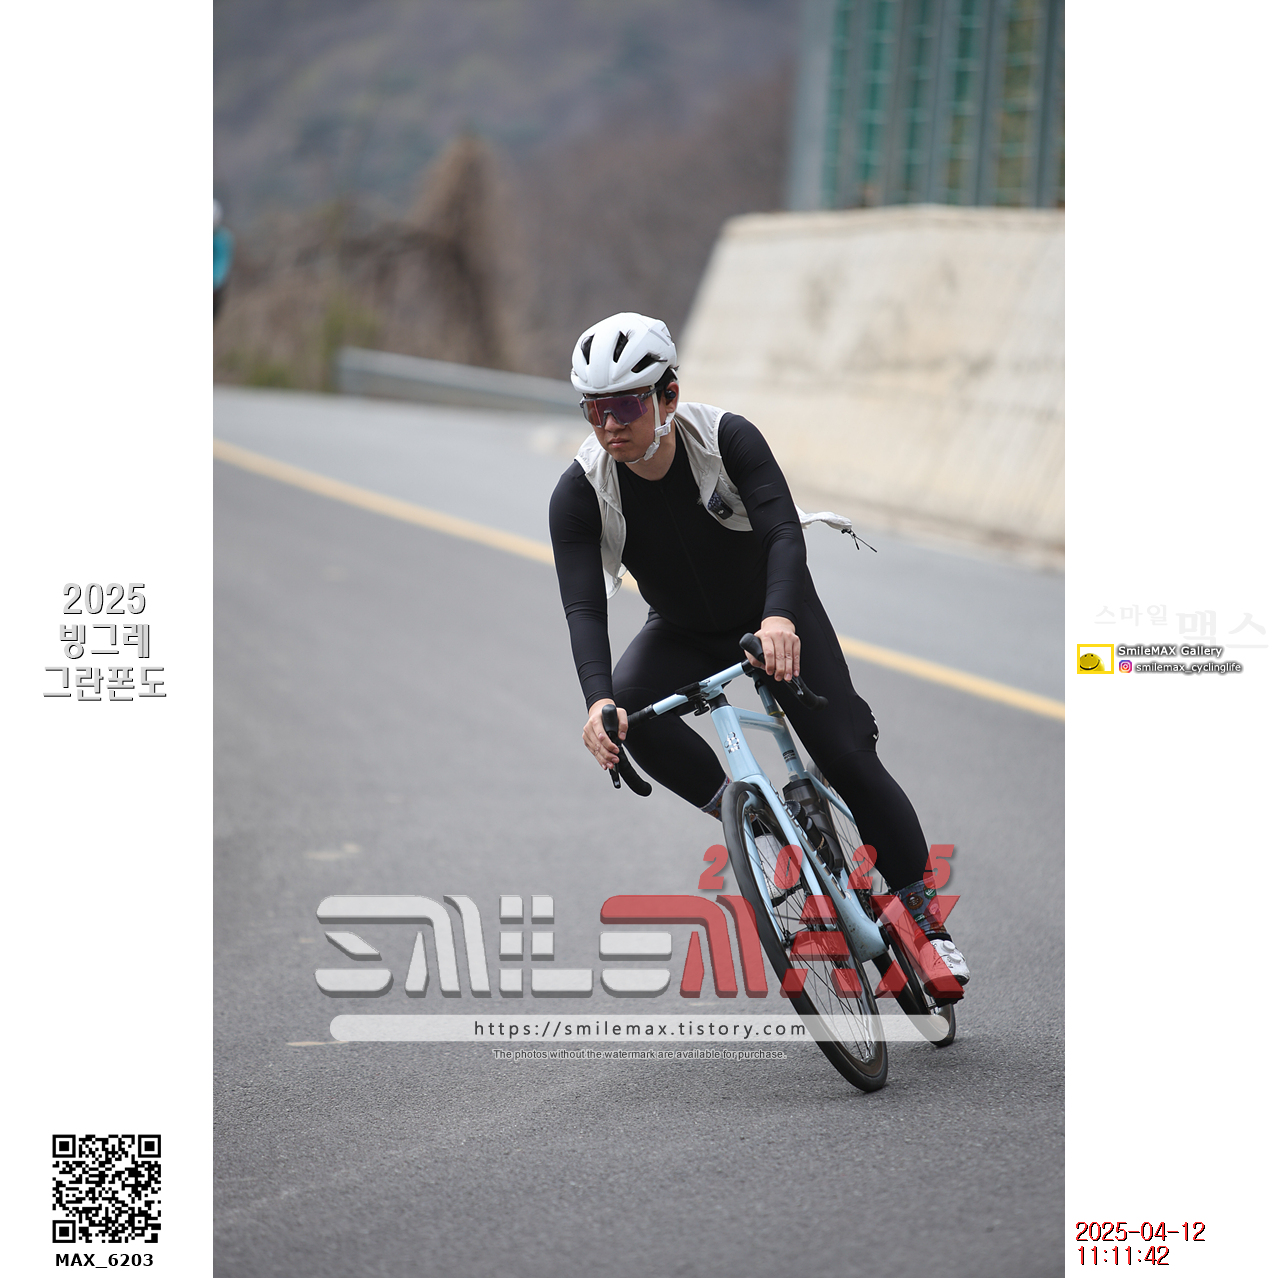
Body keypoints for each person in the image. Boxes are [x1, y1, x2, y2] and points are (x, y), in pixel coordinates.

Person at [548, 312, 969, 991]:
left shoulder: (727, 438)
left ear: (668, 396)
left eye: (625, 405)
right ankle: (758, 829)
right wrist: (597, 702)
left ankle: (924, 919)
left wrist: (779, 618)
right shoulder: (579, 492)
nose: (609, 424)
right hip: (682, 628)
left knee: (847, 755)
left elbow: (781, 534)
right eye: (594, 409)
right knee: (629, 712)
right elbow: (583, 607)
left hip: (776, 610)